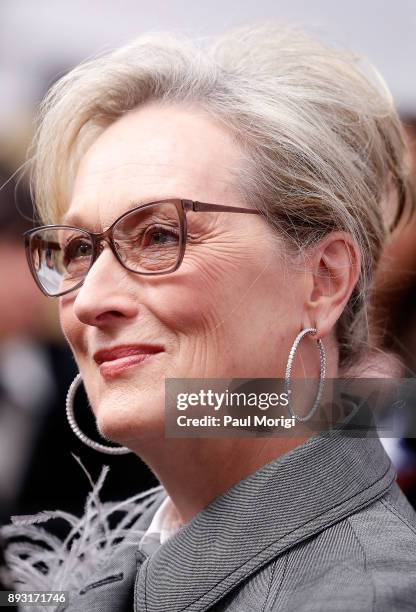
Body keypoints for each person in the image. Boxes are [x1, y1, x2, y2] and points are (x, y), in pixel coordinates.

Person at [2, 24, 416, 611]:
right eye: (78, 251)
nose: (90, 300)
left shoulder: (364, 595)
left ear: (323, 280)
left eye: (159, 235)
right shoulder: (131, 568)